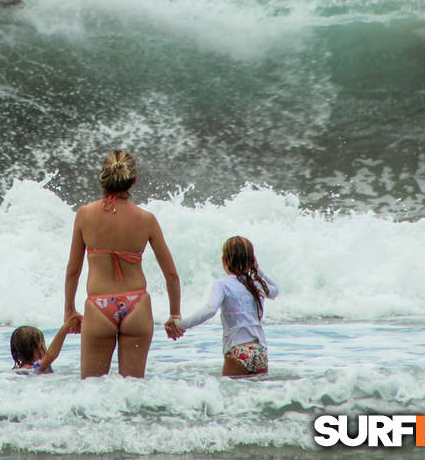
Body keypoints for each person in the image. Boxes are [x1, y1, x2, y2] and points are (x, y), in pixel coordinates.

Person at [62, 150, 182, 378]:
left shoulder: (85, 214)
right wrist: (175, 314)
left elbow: (73, 271)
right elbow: (172, 275)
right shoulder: (146, 219)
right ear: (133, 180)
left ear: (103, 177)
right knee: (133, 390)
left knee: (92, 389)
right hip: (136, 305)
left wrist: (69, 310)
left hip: (99, 306)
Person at [174, 236, 279, 376]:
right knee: (255, 395)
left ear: (224, 260)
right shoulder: (256, 284)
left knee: (229, 395)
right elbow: (275, 291)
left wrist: (182, 324)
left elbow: (210, 310)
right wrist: (258, 270)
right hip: (260, 351)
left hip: (238, 350)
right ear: (252, 261)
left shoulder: (223, 284)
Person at [9, 315, 81, 373]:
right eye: (43, 345)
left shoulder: (17, 369)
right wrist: (66, 326)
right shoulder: (38, 366)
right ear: (37, 349)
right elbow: (50, 355)